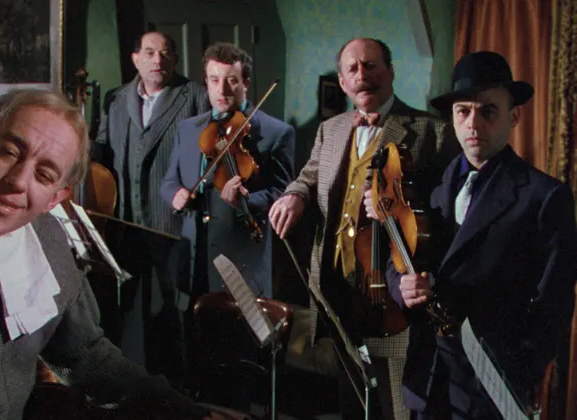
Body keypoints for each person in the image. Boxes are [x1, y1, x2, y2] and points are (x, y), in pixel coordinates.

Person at [0, 88, 223, 420]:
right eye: (9, 152)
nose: (18, 182)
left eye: (44, 175)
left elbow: (85, 357)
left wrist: (191, 415)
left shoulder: (49, 240)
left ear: (56, 197)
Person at [363, 51, 577, 419]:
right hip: (427, 378)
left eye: (488, 111)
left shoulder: (545, 196)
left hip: (490, 384)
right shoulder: (426, 184)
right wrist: (402, 288)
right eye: (463, 111)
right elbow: (397, 262)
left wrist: (520, 377)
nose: (473, 123)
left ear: (513, 117)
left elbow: (553, 307)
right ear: (452, 117)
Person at [268, 38, 459, 420]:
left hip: (392, 296)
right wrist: (295, 195)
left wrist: (397, 206)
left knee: (399, 405)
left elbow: (446, 214)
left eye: (371, 66)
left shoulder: (431, 131)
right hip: (337, 287)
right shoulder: (330, 129)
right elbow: (309, 175)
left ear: (390, 72)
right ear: (342, 82)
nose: (362, 75)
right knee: (352, 398)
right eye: (352, 69)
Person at [160, 42, 295, 408]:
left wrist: (247, 199)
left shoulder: (276, 132)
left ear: (246, 83)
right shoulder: (189, 129)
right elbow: (169, 180)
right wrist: (174, 194)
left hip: (241, 260)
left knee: (239, 368)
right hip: (194, 260)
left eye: (231, 80)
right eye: (214, 79)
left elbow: (283, 193)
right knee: (196, 362)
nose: (222, 90)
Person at [92, 31, 209, 379]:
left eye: (166, 53)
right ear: (135, 59)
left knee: (176, 310)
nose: (158, 60)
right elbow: (102, 148)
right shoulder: (116, 98)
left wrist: (193, 189)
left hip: (173, 223)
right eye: (149, 52)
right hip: (126, 222)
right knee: (126, 310)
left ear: (175, 59)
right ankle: (129, 380)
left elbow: (212, 153)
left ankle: (181, 384)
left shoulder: (195, 95)